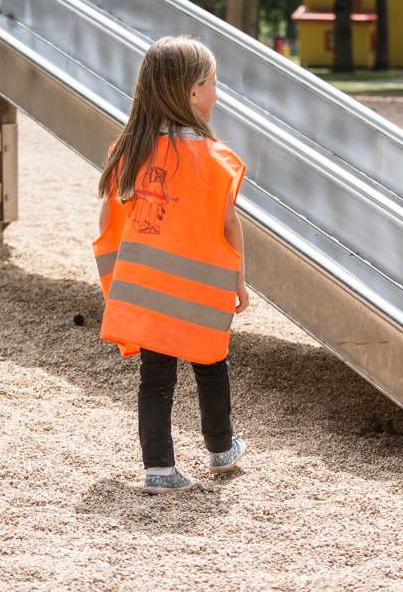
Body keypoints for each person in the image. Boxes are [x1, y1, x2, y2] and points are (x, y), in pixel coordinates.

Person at [94, 36, 250, 494]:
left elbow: (108, 222)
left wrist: (118, 281)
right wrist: (239, 283)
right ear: (193, 91)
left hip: (147, 289)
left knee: (155, 377)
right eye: (214, 83)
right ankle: (221, 450)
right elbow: (230, 227)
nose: (217, 94)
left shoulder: (129, 153)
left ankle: (159, 470)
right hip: (199, 287)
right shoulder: (214, 161)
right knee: (211, 360)